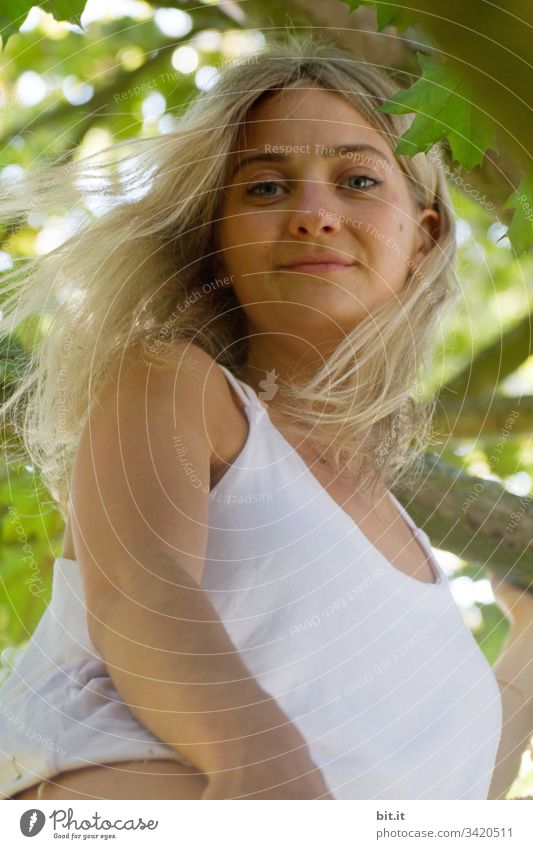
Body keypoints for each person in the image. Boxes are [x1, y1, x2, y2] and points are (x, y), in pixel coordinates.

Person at [0, 33, 523, 801]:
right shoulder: (176, 385)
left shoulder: (414, 566)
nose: (313, 214)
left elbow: (450, 793)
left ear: (424, 235)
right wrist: (268, 770)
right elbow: (140, 596)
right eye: (266, 188)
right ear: (215, 237)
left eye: (356, 179)